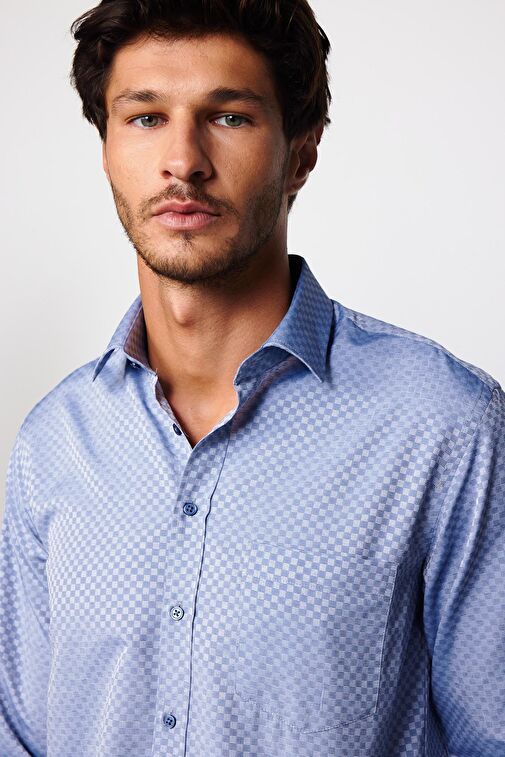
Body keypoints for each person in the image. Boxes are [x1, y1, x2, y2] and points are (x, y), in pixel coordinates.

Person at [1, 1, 504, 755]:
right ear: (106, 148)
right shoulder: (55, 440)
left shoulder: (440, 423)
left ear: (300, 153)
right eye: (145, 118)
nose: (182, 161)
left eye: (229, 117)